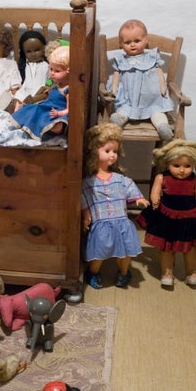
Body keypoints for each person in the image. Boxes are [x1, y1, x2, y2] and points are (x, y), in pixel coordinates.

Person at [136, 139, 196, 288]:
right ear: (167, 163)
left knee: (191, 247)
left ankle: (192, 272)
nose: (182, 170)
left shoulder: (194, 180)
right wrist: (155, 199)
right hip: (167, 216)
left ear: (194, 165)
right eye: (176, 165)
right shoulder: (162, 177)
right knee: (166, 247)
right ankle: (167, 272)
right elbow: (155, 191)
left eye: (187, 166)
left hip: (190, 217)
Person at [81, 123, 149, 289]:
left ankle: (123, 273)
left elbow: (130, 187)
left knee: (125, 252)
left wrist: (139, 198)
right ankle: (93, 272)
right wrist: (86, 214)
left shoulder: (120, 179)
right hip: (101, 224)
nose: (112, 155)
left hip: (122, 223)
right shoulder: (88, 182)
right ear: (94, 151)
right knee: (99, 253)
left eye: (115, 151)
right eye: (107, 151)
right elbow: (83, 199)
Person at [105, 19, 174, 142]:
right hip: (128, 99)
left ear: (146, 40)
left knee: (157, 112)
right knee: (123, 109)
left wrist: (163, 88)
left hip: (151, 100)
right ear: (121, 44)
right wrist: (113, 90)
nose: (132, 45)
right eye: (127, 42)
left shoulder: (152, 57)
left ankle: (162, 126)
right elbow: (116, 75)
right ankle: (120, 118)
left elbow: (159, 72)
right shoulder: (121, 60)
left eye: (137, 41)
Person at [11, 41, 69, 141]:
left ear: (69, 71)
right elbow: (47, 91)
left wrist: (59, 114)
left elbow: (69, 109)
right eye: (51, 69)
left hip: (56, 111)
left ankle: (53, 126)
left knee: (44, 116)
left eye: (57, 71)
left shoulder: (67, 90)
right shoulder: (55, 83)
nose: (52, 73)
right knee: (34, 108)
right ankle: (21, 112)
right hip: (47, 106)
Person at [13, 30, 50, 110]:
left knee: (46, 95)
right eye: (28, 51)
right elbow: (20, 81)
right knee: (17, 97)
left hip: (41, 91)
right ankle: (19, 106)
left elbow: (50, 79)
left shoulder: (47, 66)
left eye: (37, 50)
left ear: (44, 48)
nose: (33, 54)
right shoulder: (24, 66)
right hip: (26, 91)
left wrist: (47, 86)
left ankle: (31, 102)